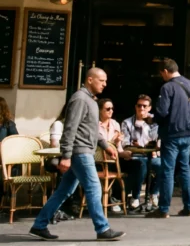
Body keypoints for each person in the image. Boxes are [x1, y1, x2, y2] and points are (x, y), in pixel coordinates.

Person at [29, 68, 125, 241]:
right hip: (80, 152)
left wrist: (104, 145)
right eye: (101, 80)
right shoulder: (80, 99)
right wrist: (65, 156)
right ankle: (102, 228)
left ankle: (39, 225)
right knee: (94, 187)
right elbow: (70, 128)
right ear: (89, 80)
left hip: (83, 151)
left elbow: (91, 129)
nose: (105, 84)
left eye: (105, 81)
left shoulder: (90, 100)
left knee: (64, 190)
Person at [148, 58, 190, 218]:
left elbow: (162, 112)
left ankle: (163, 209)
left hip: (172, 134)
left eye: (161, 74)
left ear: (165, 71)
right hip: (188, 133)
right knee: (185, 168)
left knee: (167, 171)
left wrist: (152, 119)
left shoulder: (167, 87)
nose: (161, 77)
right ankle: (189, 207)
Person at [119, 95, 161, 211]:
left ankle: (154, 193)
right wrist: (136, 146)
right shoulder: (127, 123)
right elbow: (126, 143)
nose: (141, 108)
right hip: (135, 156)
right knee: (141, 165)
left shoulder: (155, 122)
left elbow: (156, 140)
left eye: (144, 106)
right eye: (139, 105)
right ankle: (135, 197)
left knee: (163, 165)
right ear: (135, 107)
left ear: (149, 108)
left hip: (151, 155)